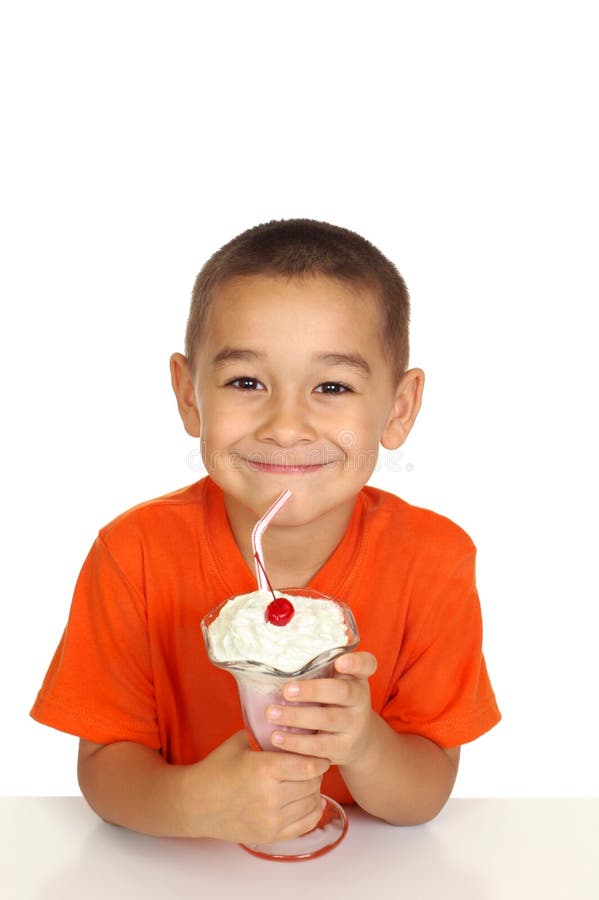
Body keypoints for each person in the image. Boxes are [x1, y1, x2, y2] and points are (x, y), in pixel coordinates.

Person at [31, 219, 500, 844]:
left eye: (332, 386)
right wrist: (193, 804)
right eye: (246, 383)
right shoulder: (134, 554)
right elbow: (102, 771)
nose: (285, 425)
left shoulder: (434, 560)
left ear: (398, 408)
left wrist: (366, 745)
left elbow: (424, 796)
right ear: (189, 395)